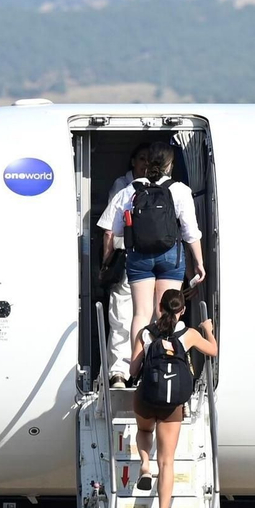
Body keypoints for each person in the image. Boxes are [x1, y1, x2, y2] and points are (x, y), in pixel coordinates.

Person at [98, 144, 205, 373]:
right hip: (170, 258)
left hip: (139, 258)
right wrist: (199, 263)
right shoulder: (180, 190)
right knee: (166, 312)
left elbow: (111, 231)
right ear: (170, 165)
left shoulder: (129, 189)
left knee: (140, 314)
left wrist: (106, 261)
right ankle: (168, 365)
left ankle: (135, 369)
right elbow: (190, 232)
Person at [129, 288, 217, 508]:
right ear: (182, 310)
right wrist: (207, 329)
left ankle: (145, 464)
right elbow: (213, 350)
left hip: (146, 398)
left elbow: (134, 370)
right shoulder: (188, 335)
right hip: (172, 406)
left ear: (160, 308)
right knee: (167, 462)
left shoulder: (145, 334)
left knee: (144, 431)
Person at [98, 142, 155, 386]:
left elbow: (109, 229)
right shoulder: (127, 186)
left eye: (148, 160)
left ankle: (122, 370)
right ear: (132, 161)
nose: (144, 163)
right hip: (146, 262)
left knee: (124, 317)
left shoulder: (123, 190)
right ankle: (129, 370)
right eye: (141, 158)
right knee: (135, 316)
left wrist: (105, 261)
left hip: (127, 257)